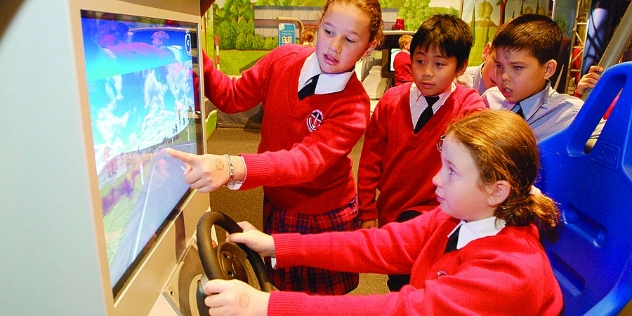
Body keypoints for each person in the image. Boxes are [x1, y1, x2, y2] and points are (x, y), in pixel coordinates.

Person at [201, 110, 564, 316]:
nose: (436, 179)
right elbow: (380, 246)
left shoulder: (510, 275)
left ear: (496, 190)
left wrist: (266, 305)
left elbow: (399, 311)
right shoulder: (459, 216)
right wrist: (279, 246)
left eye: (452, 171)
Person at [167, 0, 384, 295]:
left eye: (350, 40)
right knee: (279, 289)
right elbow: (232, 97)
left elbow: (304, 162)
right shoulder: (283, 59)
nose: (334, 46)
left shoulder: (354, 105)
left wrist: (232, 166)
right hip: (278, 203)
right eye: (329, 31)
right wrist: (189, 41)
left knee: (324, 302)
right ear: (317, 26)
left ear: (369, 47)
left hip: (325, 212)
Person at [356, 14, 486, 291]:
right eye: (420, 61)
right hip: (393, 212)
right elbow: (369, 161)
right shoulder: (391, 102)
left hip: (439, 219)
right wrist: (367, 210)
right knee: (400, 283)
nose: (427, 72)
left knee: (432, 285)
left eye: (439, 64)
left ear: (460, 67)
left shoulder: (468, 106)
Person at [482, 13, 603, 141]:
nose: (504, 76)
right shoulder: (488, 100)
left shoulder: (571, 113)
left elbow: (615, 148)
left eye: (517, 67)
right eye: (499, 65)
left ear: (548, 69)